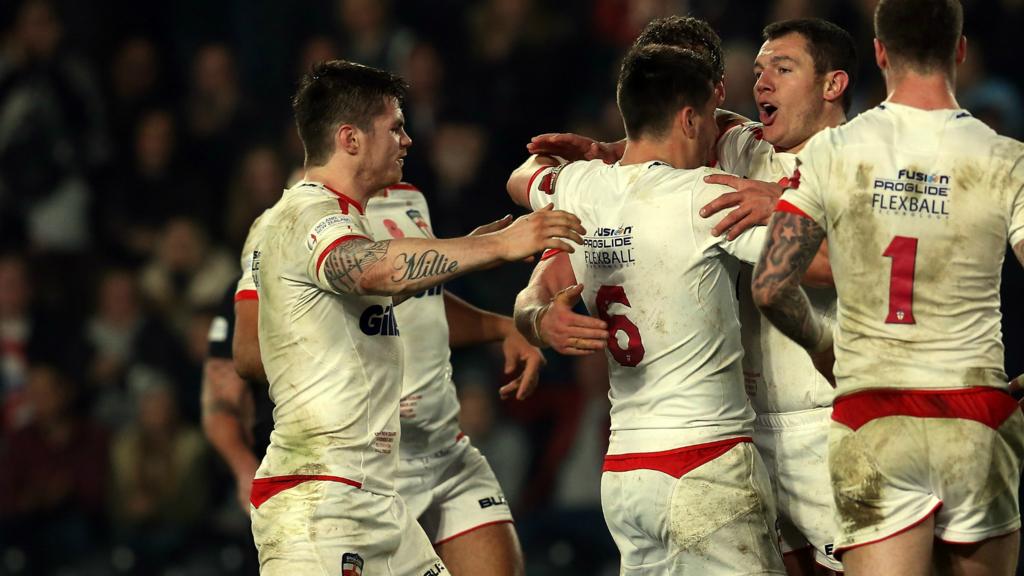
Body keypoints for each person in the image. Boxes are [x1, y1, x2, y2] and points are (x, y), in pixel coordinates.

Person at [529, 16, 852, 574]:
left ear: (833, 84)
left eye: (783, 67)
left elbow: (877, 260)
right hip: (737, 432)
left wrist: (784, 199)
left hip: (826, 419)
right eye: (758, 70)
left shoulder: (861, 160)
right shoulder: (732, 153)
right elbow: (543, 277)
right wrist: (531, 316)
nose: (764, 83)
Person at [249, 59, 583, 575]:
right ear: (350, 139)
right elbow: (368, 272)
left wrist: (475, 263)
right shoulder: (304, 216)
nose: (408, 140)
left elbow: (379, 290)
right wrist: (500, 243)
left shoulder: (353, 217)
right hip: (319, 503)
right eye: (396, 128)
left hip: (377, 501)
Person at [750, 1, 1024, 575]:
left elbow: (771, 286)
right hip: (977, 414)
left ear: (879, 53)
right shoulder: (1005, 158)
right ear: (959, 51)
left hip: (874, 415)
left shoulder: (833, 151)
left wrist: (827, 348)